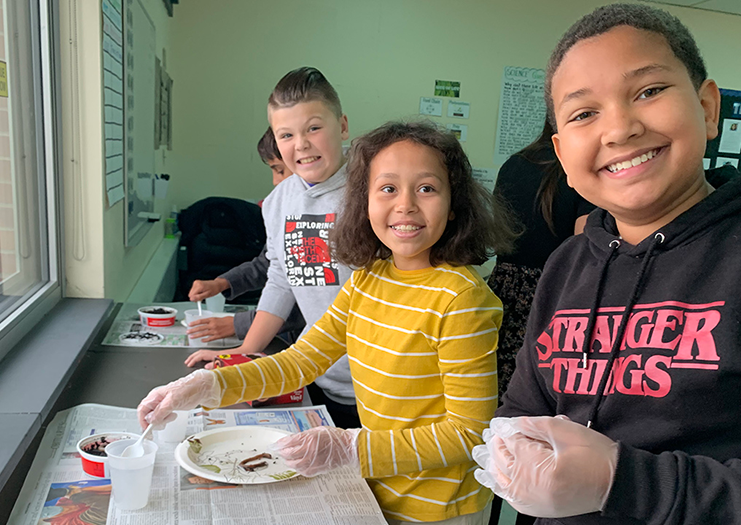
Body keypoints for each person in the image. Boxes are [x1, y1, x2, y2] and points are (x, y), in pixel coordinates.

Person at [473, 4, 741, 524]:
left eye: (648, 91)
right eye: (583, 113)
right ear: (562, 153)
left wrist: (621, 481)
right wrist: (511, 457)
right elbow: (521, 414)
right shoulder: (569, 263)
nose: (618, 129)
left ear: (708, 108)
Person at [138, 121, 518, 524]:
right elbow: (300, 361)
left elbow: (468, 433)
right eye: (388, 188)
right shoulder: (368, 278)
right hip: (373, 490)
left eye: (426, 188)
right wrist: (206, 386)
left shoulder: (462, 299)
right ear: (365, 200)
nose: (405, 204)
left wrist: (350, 448)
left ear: (454, 203)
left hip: (438, 510)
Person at [185, 67, 359, 428]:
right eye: (286, 134)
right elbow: (280, 279)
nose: (301, 144)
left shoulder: (371, 193)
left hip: (383, 386)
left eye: (314, 128)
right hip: (318, 375)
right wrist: (244, 354)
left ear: (342, 126)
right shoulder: (280, 201)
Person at [488, 119, 596, 525]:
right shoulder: (576, 171)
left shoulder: (514, 163)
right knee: (543, 429)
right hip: (555, 299)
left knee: (506, 423)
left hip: (503, 293)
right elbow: (587, 251)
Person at [186, 127, 306, 346]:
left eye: (279, 170)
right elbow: (268, 264)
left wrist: (239, 325)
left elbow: (316, 304)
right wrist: (221, 283)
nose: (275, 181)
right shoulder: (284, 209)